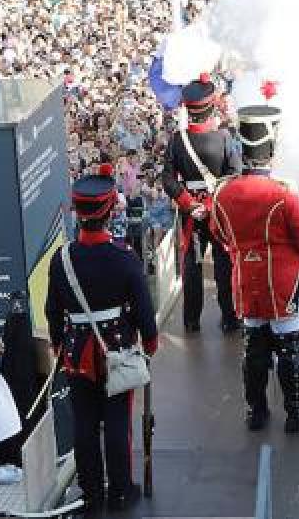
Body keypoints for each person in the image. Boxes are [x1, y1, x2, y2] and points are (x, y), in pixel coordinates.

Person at [45, 164, 159, 513]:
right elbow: (143, 309)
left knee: (84, 423)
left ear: (78, 213)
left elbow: (53, 311)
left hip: (78, 352)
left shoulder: (61, 259)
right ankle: (121, 490)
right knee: (117, 421)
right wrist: (150, 342)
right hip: (117, 349)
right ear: (109, 211)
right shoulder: (124, 257)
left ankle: (92, 491)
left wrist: (58, 345)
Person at [210, 102, 299, 433]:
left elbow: (220, 235)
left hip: (245, 279)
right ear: (271, 150)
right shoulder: (282, 194)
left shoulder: (222, 193)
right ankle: (296, 412)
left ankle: (257, 412)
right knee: (288, 348)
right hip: (283, 281)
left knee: (255, 346)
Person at [161, 75, 242, 334]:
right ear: (210, 107)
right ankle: (230, 317)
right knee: (223, 264)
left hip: (190, 213)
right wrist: (209, 203)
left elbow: (168, 179)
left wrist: (188, 204)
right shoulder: (224, 138)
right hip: (218, 211)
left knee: (192, 268)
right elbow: (234, 176)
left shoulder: (177, 140)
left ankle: (191, 321)